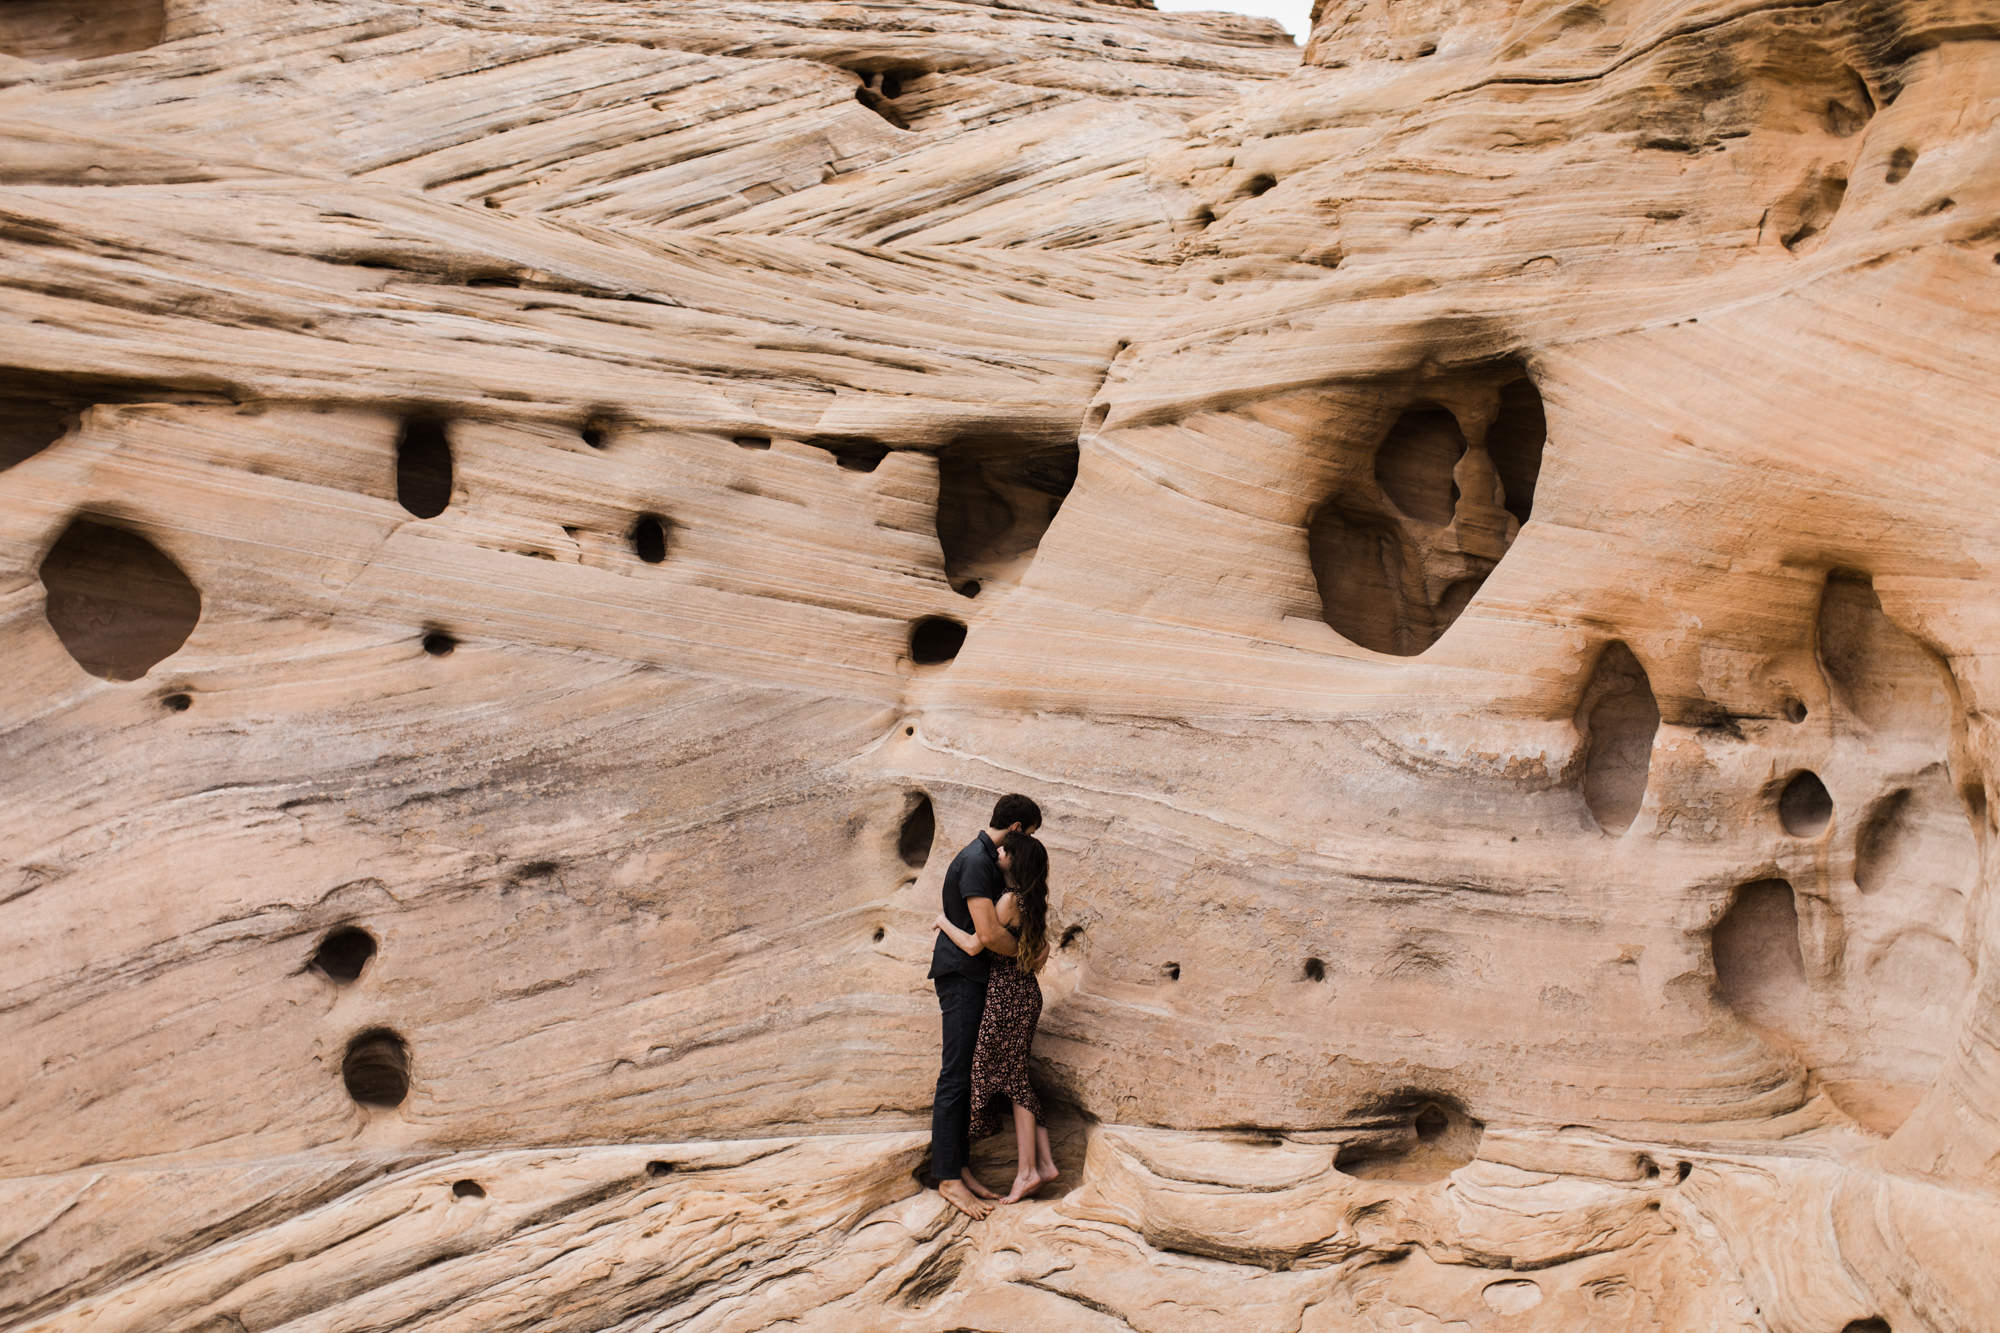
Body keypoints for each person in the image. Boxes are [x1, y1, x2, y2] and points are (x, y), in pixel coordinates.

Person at [927, 793, 1042, 1221]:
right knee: (955, 1075)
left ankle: (959, 1168)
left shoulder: (983, 860)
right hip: (962, 976)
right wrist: (1030, 952)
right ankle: (948, 1177)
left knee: (967, 1074)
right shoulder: (977, 861)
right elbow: (989, 936)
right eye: (1027, 836)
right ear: (1016, 829)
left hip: (975, 978)